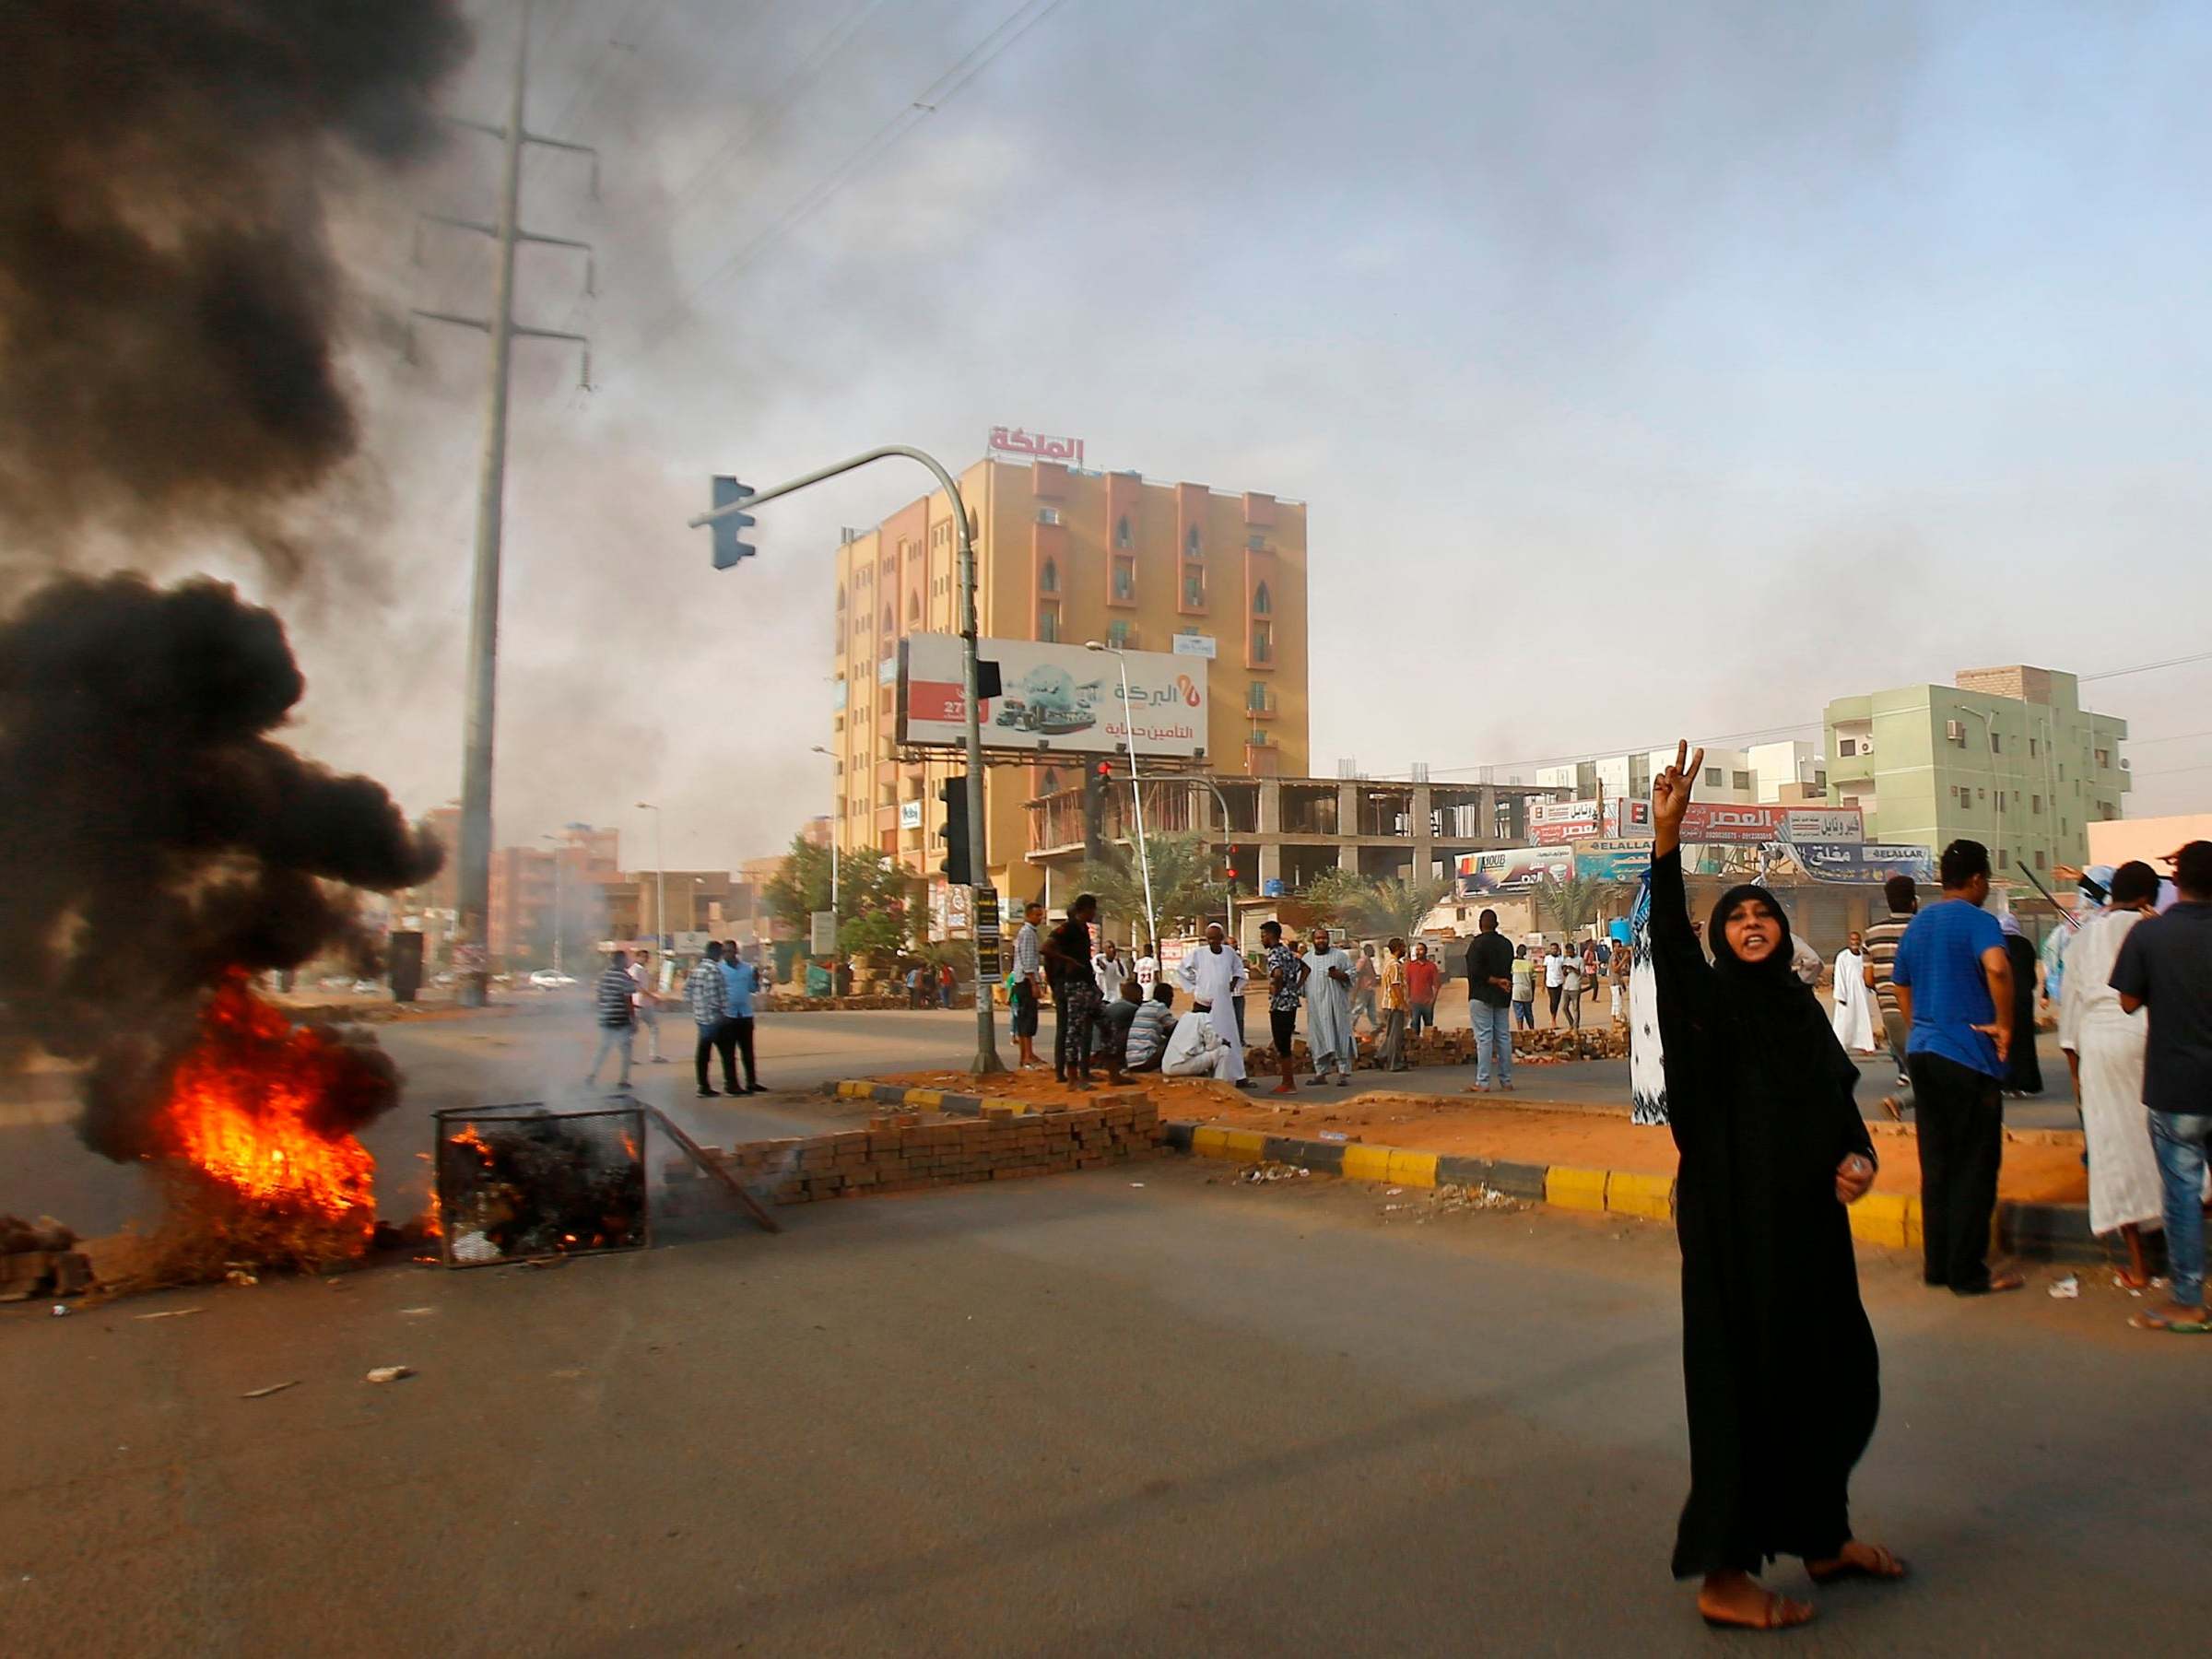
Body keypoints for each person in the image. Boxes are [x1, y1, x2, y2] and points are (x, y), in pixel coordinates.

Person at [1646, 741, 1898, 1631]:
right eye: (1738, 915)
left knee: (1833, 1371)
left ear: (1783, 932)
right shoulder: (1703, 1002)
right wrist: (1666, 841)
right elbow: (1668, 945)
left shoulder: (1797, 1007)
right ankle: (1724, 1575)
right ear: (1720, 935)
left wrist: (1859, 1157)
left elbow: (1839, 1101)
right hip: (1731, 1224)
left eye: (1765, 913)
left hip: (1807, 1226)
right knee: (1739, 1386)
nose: (1752, 921)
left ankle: (1822, 1537)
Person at [1892, 839, 2021, 1296]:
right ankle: (1968, 1272)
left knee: (1939, 1165)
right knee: (1975, 1166)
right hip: (1969, 1056)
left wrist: (1919, 1025)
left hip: (1925, 1052)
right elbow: (1998, 969)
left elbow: (1899, 981)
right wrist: (2004, 1025)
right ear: (1979, 880)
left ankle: (1939, 1264)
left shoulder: (1919, 923)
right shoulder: (1980, 921)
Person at [2110, 840, 2212, 1333]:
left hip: (2177, 1087)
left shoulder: (2150, 935)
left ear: (2178, 881)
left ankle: (2189, 1300)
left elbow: (2127, 1002)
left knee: (2183, 1195)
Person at [2058, 861, 2164, 1288]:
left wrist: (2077, 1080)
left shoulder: (2083, 938)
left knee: (2115, 1152)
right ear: (2145, 899)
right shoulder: (2150, 929)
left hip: (2097, 1043)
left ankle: (2139, 1267)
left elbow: (2070, 1015)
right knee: (2167, 1143)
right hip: (2149, 1035)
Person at [1861, 875, 1920, 1113]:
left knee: (1915, 1068)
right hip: (1921, 1011)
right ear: (1914, 901)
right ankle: (1898, 1102)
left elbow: (1868, 978)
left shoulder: (1872, 933)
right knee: (1932, 1071)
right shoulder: (1922, 927)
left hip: (1889, 1012)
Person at [1178, 923, 1250, 1084]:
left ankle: (1237, 1075)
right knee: (1203, 1038)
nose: (1211, 942)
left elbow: (1239, 969)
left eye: (1215, 938)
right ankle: (1205, 1073)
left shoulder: (1229, 953)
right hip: (1203, 1002)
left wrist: (1232, 985)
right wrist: (1195, 986)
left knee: (1229, 1036)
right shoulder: (1198, 953)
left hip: (1224, 1003)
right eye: (1209, 938)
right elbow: (1183, 969)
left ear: (1221, 938)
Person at [1044, 895, 1103, 1087]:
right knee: (1071, 1029)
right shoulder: (1066, 930)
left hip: (1081, 982)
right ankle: (1068, 1073)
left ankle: (1079, 1071)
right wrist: (1068, 963)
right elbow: (1046, 951)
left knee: (1079, 1028)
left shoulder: (1083, 930)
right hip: (1068, 984)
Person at [1465, 909, 1514, 1092]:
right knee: (1503, 1037)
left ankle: (1483, 1082)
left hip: (1481, 995)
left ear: (1480, 924)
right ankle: (1506, 1080)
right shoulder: (1507, 944)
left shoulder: (1476, 945)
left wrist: (1494, 981)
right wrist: (1502, 982)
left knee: (1484, 1039)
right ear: (1497, 924)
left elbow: (1475, 972)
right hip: (1502, 995)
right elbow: (1508, 968)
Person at [1997, 913, 2043, 1097]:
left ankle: (2004, 1082)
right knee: (2024, 1041)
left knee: (2002, 1041)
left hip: (2001, 998)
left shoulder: (1996, 945)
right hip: (2023, 999)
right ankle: (2026, 1082)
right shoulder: (2025, 945)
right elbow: (2031, 977)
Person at [1259, 920, 1308, 1095]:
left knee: (1282, 1045)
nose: (1262, 939)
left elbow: (1277, 973)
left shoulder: (1274, 954)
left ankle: (1288, 1083)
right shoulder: (1287, 952)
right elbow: (1305, 968)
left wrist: (1276, 988)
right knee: (1285, 1042)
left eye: (1263, 935)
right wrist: (1296, 987)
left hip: (1280, 1004)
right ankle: (1288, 1082)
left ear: (1271, 935)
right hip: (1292, 1002)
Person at [1303, 926, 1356, 1086]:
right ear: (1313, 940)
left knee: (1340, 1036)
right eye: (1318, 938)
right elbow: (1301, 981)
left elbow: (1352, 973)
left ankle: (1343, 1073)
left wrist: (1340, 975)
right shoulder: (1306, 959)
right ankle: (1320, 1073)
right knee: (1318, 1039)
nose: (1321, 941)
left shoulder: (1339, 956)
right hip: (1316, 1008)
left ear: (1329, 939)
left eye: (1324, 938)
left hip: (1336, 1006)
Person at [584, 950, 637, 1091]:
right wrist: (633, 1020)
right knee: (626, 1050)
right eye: (626, 959)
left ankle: (592, 1075)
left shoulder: (603, 976)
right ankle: (623, 1080)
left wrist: (601, 1013)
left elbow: (599, 997)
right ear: (621, 961)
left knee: (603, 1049)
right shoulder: (625, 977)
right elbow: (628, 1001)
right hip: (621, 1019)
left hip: (606, 1018)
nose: (627, 962)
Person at [717, 940, 761, 1094]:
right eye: (725, 952)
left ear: (736, 952)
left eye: (730, 951)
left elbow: (752, 988)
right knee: (729, 1053)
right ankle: (731, 1084)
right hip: (727, 1015)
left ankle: (752, 1082)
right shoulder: (719, 970)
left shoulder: (747, 969)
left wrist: (756, 979)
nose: (727, 954)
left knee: (748, 1052)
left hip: (745, 1014)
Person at [686, 942, 728, 1098]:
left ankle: (703, 1085)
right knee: (726, 1053)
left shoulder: (697, 969)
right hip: (713, 1019)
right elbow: (713, 995)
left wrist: (697, 1006)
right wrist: (719, 1012)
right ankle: (730, 1085)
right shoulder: (713, 970)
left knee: (703, 1053)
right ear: (717, 953)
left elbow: (687, 991)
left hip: (701, 1017)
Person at [1162, 1001, 1240, 1079]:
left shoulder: (1185, 1017)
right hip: (1181, 1065)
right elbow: (1211, 1046)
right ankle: (1220, 1083)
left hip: (1167, 1066)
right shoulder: (1205, 1018)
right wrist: (1222, 1041)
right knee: (1223, 1050)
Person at [1010, 900, 1045, 1069]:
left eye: (1041, 915)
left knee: (1027, 1019)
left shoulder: (1028, 933)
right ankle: (1026, 1056)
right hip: (1025, 981)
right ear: (1028, 915)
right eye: (1037, 915)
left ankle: (1028, 1054)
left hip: (1024, 980)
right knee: (1027, 1019)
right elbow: (1028, 961)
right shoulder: (1027, 933)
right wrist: (1034, 984)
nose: (1040, 918)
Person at [1830, 931, 1877, 1054]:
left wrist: (1870, 988)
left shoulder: (1863, 956)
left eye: (1857, 940)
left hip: (1860, 993)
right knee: (1843, 1021)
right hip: (1846, 994)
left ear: (1860, 942)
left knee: (1862, 1019)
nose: (1855, 942)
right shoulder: (1842, 956)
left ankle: (1865, 1046)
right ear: (1849, 941)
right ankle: (1840, 1046)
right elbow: (1839, 976)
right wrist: (1840, 995)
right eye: (1852, 939)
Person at [1094, 978, 1140, 1084]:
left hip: (1096, 1048)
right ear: (1136, 995)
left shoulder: (1113, 1005)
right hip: (1103, 1051)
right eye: (1140, 996)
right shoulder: (1132, 1008)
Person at [1374, 937, 1410, 1071]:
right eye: (1403, 948)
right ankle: (1394, 1063)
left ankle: (1381, 1055)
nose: (1405, 950)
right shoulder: (1395, 965)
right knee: (1396, 1035)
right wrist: (1403, 1004)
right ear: (1398, 948)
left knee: (1390, 1034)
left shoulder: (1387, 962)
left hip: (1387, 1004)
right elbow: (1396, 986)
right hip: (1394, 1005)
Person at [1124, 982, 1176, 1073]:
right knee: (1173, 1042)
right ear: (1166, 997)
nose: (1171, 1001)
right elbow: (1176, 1029)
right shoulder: (1160, 1008)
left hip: (1131, 1061)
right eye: (1171, 997)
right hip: (1145, 1060)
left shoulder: (1144, 1007)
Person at [629, 948, 666, 1064]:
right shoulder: (634, 970)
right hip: (637, 1005)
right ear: (637, 957)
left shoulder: (643, 970)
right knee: (632, 1032)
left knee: (654, 1028)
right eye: (643, 957)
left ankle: (653, 1055)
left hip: (646, 1004)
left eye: (647, 957)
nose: (646, 959)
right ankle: (628, 1057)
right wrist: (653, 997)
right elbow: (638, 988)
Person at [1406, 942, 1441, 1036]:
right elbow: (1407, 984)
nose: (1418, 952)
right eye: (1417, 950)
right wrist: (1408, 999)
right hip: (1414, 1003)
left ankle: (1428, 1048)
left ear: (1425, 952)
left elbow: (1436, 985)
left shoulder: (1431, 967)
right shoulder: (1410, 966)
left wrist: (1433, 1000)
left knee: (1429, 1028)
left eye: (1420, 950)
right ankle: (1415, 1048)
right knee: (1414, 1028)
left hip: (1427, 1003)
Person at [1352, 944, 1380, 1032]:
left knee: (1372, 1010)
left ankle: (1375, 1026)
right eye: (1372, 950)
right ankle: (1350, 1025)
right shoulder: (1363, 961)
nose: (1374, 952)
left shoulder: (1368, 961)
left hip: (1370, 988)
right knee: (1359, 1008)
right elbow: (1357, 972)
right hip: (1364, 988)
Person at [1093, 939, 1131, 1004]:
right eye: (1109, 947)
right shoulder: (1099, 959)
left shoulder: (1119, 962)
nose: (1112, 949)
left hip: (1115, 995)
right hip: (1103, 994)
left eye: (1113, 947)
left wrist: (1118, 962)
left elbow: (1124, 976)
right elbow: (1102, 969)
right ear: (1104, 950)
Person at [1559, 944, 1584, 1032]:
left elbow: (1581, 973)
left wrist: (1573, 968)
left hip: (1575, 987)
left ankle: (1576, 1026)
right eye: (1567, 952)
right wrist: (1565, 970)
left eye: (1570, 952)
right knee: (1564, 1007)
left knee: (1575, 1008)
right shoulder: (1566, 960)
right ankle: (1571, 1022)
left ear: (1574, 950)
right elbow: (1564, 974)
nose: (1569, 953)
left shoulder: (1580, 960)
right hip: (1567, 986)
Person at [1510, 944, 1536, 1030]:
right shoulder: (1529, 964)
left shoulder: (1513, 964)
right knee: (1529, 1013)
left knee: (1519, 1013)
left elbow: (1509, 977)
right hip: (1527, 991)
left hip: (1517, 991)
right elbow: (1533, 981)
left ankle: (1520, 1031)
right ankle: (1532, 1030)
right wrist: (1533, 994)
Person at [1609, 937, 1630, 1024]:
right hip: (1615, 983)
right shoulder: (1614, 957)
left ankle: (1614, 1021)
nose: (1620, 948)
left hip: (1617, 982)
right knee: (1618, 1003)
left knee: (1615, 1003)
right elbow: (1615, 969)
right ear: (1614, 948)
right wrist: (1624, 960)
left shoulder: (1617, 956)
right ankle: (1618, 1021)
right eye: (1618, 946)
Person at [1544, 942, 1566, 1024]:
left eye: (1555, 949)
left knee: (1557, 1001)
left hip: (1559, 982)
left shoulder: (1562, 959)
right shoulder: (1547, 958)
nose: (1553, 950)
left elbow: (1564, 969)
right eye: (1552, 949)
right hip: (1550, 982)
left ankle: (1554, 1016)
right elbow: (1545, 971)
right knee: (1553, 1001)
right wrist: (1543, 983)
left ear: (1558, 950)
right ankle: (1553, 1019)